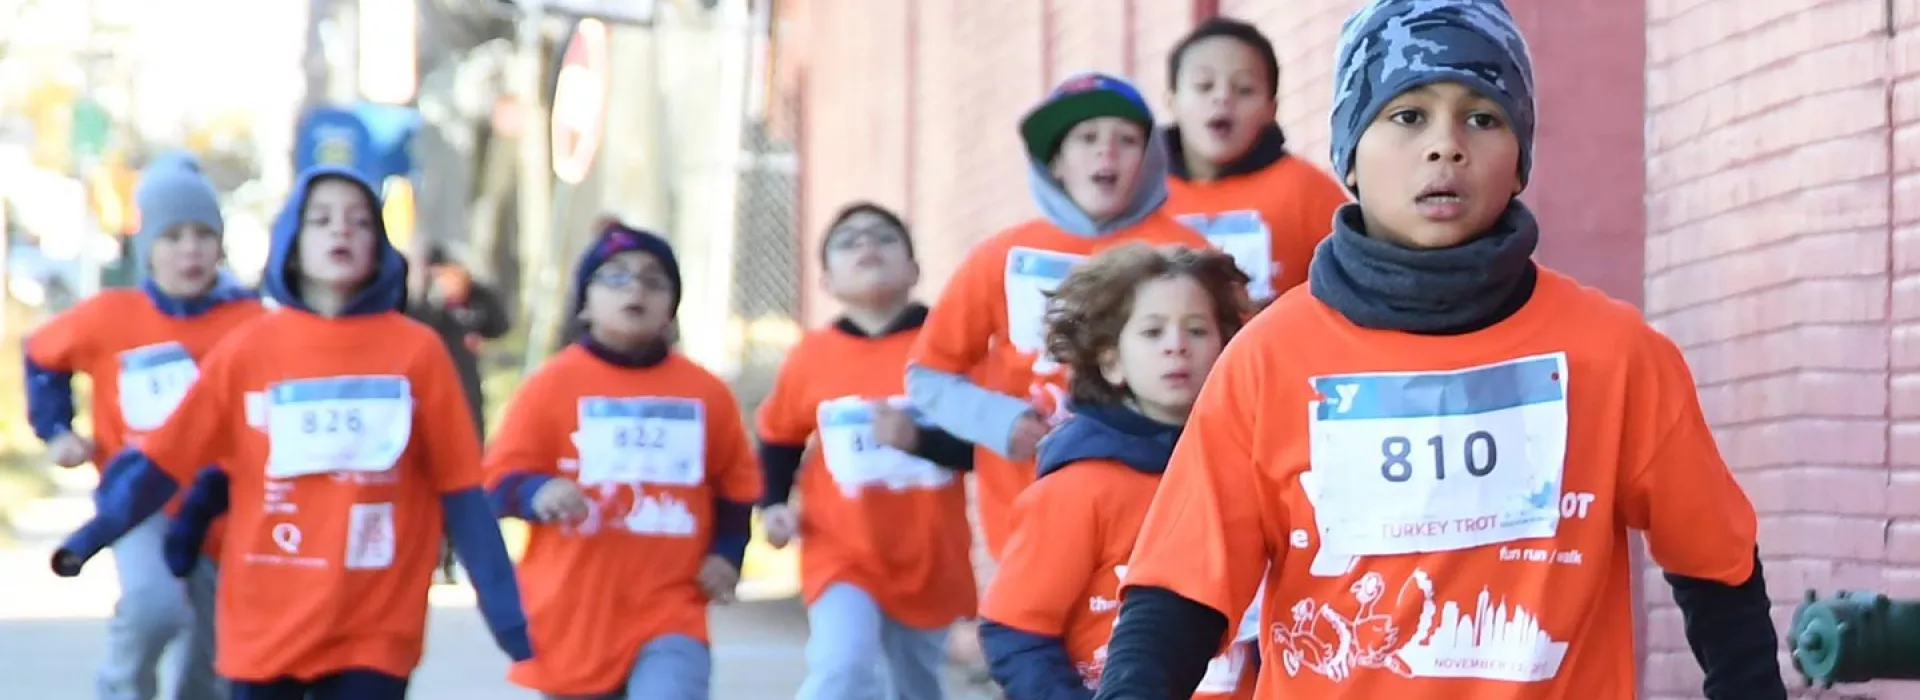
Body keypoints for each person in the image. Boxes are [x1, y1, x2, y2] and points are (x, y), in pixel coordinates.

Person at [1091, 2, 1785, 699]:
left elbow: (1716, 566)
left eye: (1483, 117)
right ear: (1350, 157)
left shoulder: (1616, 354)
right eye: (1408, 115)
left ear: (1520, 161)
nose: (1446, 146)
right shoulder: (1268, 362)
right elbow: (1177, 599)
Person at [49, 165, 533, 700]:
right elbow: (168, 459)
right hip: (264, 620)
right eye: (321, 220)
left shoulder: (417, 354)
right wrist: (91, 537)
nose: (341, 231)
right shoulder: (249, 349)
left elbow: (462, 491)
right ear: (293, 245)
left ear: (379, 244)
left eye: (358, 222)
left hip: (374, 619)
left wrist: (508, 616)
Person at [906, 72, 1211, 561]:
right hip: (1027, 512)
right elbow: (928, 375)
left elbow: (1231, 369)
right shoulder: (1000, 255)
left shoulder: (1190, 253)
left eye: (1126, 140)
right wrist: (999, 421)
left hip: (1161, 514)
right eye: (1086, 139)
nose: (1105, 154)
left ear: (1151, 159)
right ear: (1056, 161)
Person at [483, 220, 762, 700]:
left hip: (671, 607)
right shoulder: (551, 386)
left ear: (671, 309)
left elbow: (735, 484)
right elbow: (492, 486)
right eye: (615, 276)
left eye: (654, 280)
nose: (635, 287)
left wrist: (728, 552)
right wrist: (535, 491)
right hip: (574, 614)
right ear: (585, 305)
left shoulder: (705, 393)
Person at [24, 150, 263, 700]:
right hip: (139, 500)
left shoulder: (249, 322)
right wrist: (57, 428)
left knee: (215, 651)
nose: (190, 250)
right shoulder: (112, 315)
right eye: (172, 236)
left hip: (224, 504)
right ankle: (121, 689)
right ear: (146, 246)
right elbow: (40, 354)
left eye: (203, 235)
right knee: (154, 607)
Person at [976, 244, 1253, 700]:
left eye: (1197, 329)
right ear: (1111, 361)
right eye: (1151, 331)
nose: (1176, 344)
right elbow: (1014, 630)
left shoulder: (1253, 474)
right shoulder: (1078, 489)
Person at [757, 203, 977, 700]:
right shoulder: (812, 355)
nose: (866, 245)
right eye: (848, 241)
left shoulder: (949, 348)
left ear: (914, 270)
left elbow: (985, 447)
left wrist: (919, 439)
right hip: (840, 550)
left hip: (929, 556)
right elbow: (778, 437)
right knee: (842, 669)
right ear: (827, 281)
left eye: (882, 236)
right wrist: (772, 504)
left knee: (915, 688)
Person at [1161, 17, 1349, 306]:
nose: (1222, 97)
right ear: (1171, 101)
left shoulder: (1307, 193)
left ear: (1271, 109)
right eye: (1204, 85)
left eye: (1245, 89)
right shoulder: (1140, 194)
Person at [405, 240, 511, 584]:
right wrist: (428, 293)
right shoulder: (424, 307)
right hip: (427, 401)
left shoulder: (470, 301)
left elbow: (498, 324)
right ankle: (431, 552)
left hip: (467, 398)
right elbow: (413, 326)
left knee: (465, 477)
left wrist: (472, 287)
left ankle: (452, 556)